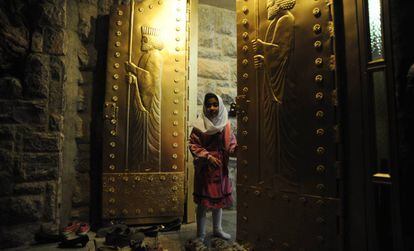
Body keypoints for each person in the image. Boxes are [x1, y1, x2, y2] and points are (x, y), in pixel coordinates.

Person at [189, 93, 237, 241]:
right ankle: (201, 235)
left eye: (215, 104)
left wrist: (236, 150)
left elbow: (231, 143)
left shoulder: (226, 124)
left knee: (218, 201)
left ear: (220, 106)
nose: (212, 108)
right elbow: (193, 145)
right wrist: (208, 157)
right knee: (203, 203)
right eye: (208, 104)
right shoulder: (200, 125)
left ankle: (217, 229)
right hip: (205, 170)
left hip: (220, 169)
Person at [125, 26, 164, 169]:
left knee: (147, 134)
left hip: (150, 102)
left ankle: (148, 162)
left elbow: (150, 80)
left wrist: (133, 69)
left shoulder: (155, 56)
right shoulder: (146, 55)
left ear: (152, 40)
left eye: (144, 39)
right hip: (143, 97)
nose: (142, 42)